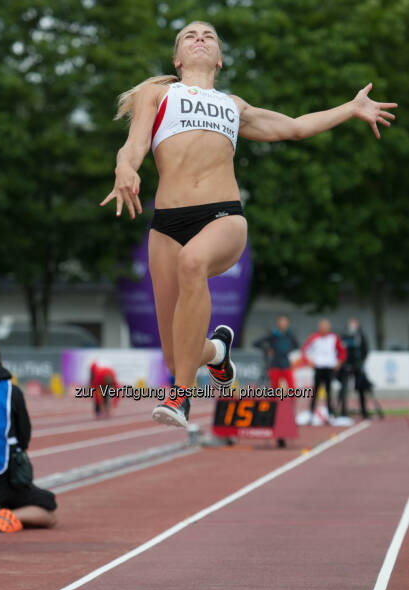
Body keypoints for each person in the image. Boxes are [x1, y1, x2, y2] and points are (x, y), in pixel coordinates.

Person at [100, 20, 397, 428]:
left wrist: (351, 108)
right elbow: (133, 147)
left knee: (193, 265)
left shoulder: (234, 106)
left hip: (222, 216)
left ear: (219, 58)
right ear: (177, 57)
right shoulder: (158, 94)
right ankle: (217, 352)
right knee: (178, 354)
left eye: (208, 36)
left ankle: (179, 397)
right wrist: (123, 169)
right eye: (190, 35)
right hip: (167, 224)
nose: (200, 38)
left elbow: (293, 127)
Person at [0, 345, 57, 533]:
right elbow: (24, 437)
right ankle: (1, 514)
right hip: (3, 482)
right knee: (49, 509)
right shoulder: (11, 392)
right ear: (1, 363)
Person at [302, 320, 347, 420]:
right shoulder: (314, 337)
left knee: (328, 391)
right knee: (315, 391)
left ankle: (330, 413)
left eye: (326, 327)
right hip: (318, 367)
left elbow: (342, 351)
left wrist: (339, 362)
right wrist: (309, 361)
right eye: (322, 327)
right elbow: (305, 350)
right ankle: (311, 413)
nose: (324, 329)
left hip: (329, 368)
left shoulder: (334, 337)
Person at [255, 315, 298, 390]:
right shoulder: (273, 335)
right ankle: (274, 401)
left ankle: (292, 401)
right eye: (282, 323)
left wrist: (289, 351)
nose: (283, 324)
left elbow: (296, 346)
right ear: (278, 324)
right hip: (275, 364)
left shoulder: (290, 335)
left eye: (285, 323)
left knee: (292, 388)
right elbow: (257, 343)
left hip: (286, 364)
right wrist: (267, 349)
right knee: (274, 388)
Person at [338, 318, 369, 418]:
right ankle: (342, 411)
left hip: (357, 365)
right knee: (344, 388)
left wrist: (360, 362)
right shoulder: (343, 336)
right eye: (351, 323)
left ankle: (364, 411)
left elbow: (365, 350)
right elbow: (339, 350)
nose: (352, 325)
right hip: (345, 365)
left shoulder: (361, 336)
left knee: (361, 388)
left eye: (354, 323)